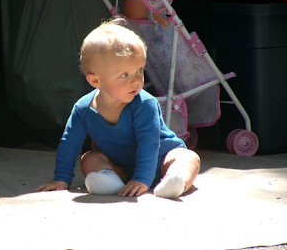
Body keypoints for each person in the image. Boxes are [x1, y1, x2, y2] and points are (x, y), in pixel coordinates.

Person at [35, 18, 200, 198]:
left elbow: (149, 143)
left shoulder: (145, 104)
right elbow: (69, 143)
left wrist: (141, 179)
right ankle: (108, 180)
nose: (136, 81)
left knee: (187, 157)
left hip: (161, 159)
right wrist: (62, 178)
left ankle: (175, 180)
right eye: (124, 75)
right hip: (119, 166)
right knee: (89, 158)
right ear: (95, 81)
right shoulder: (83, 109)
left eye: (139, 70)